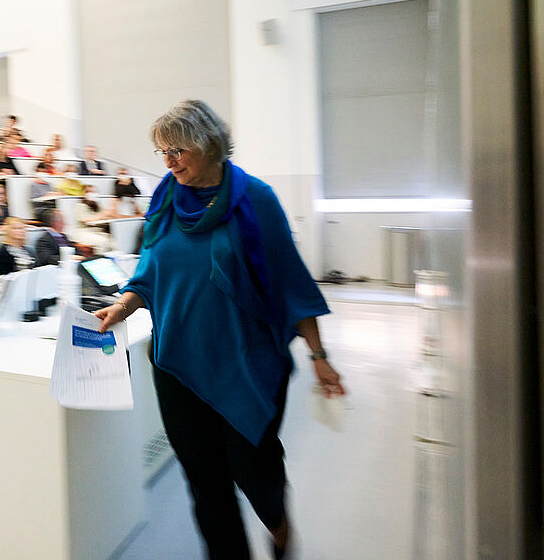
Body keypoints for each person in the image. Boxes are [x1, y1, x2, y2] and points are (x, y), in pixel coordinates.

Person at [94, 100, 346, 560]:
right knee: (205, 482)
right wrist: (124, 306)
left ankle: (279, 525)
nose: (169, 162)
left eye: (178, 150)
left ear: (208, 144)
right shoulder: (166, 197)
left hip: (245, 363)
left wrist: (318, 356)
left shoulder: (256, 199)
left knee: (255, 470)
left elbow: (291, 281)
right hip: (178, 365)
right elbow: (150, 268)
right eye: (162, 153)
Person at [69, 185, 114, 253]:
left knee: (113, 242)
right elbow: (86, 220)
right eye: (88, 191)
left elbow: (107, 215)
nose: (91, 193)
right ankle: (99, 261)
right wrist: (101, 215)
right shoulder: (80, 206)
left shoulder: (97, 206)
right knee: (103, 242)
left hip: (97, 232)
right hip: (83, 232)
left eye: (93, 192)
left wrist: (103, 215)